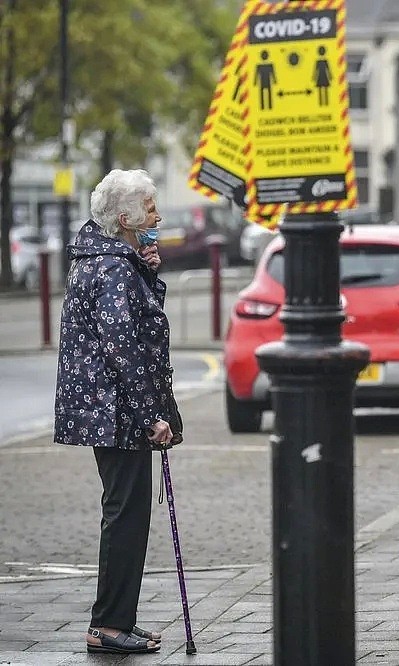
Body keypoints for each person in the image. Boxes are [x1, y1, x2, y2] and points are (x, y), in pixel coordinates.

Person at [54, 169, 181, 655]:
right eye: (150, 207)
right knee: (126, 515)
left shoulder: (114, 259)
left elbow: (140, 325)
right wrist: (153, 415)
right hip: (115, 410)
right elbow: (124, 349)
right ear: (125, 217)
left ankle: (116, 618)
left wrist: (148, 271)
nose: (157, 215)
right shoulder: (112, 268)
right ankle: (107, 624)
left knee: (126, 513)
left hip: (109, 407)